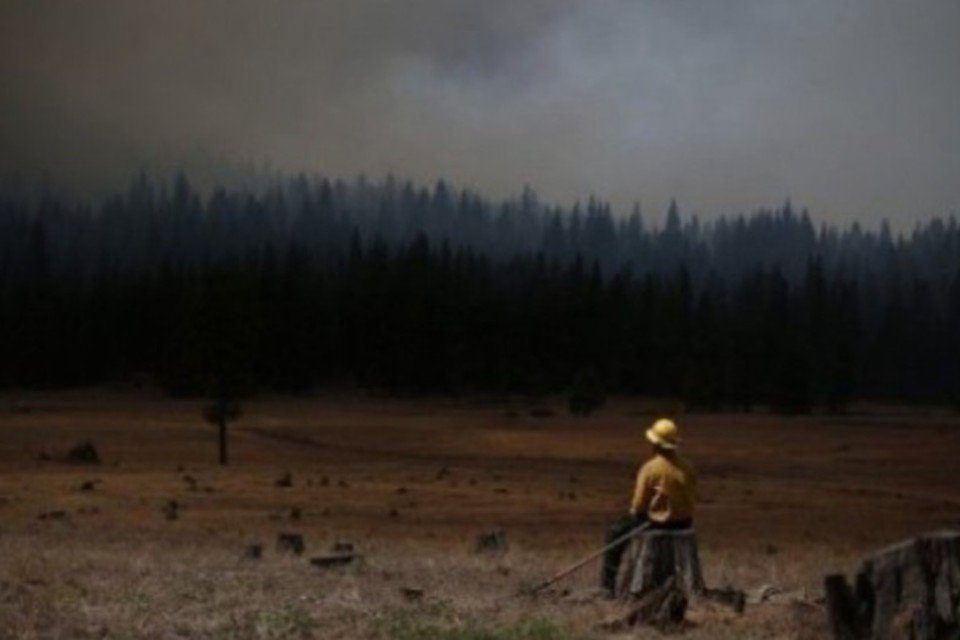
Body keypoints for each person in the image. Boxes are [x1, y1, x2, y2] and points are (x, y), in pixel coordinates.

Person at [600, 417, 697, 596]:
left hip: (657, 522)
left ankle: (607, 587)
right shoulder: (687, 467)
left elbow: (639, 505)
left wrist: (636, 514)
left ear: (656, 444)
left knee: (614, 534)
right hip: (684, 522)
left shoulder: (650, 469)